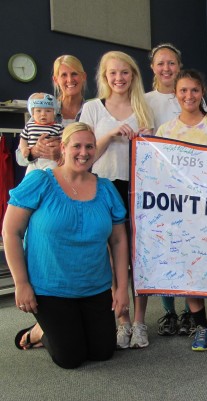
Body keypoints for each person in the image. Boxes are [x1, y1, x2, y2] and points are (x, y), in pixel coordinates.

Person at [4, 122, 129, 369]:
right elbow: (11, 232)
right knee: (70, 358)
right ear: (63, 147)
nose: (83, 152)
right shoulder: (40, 182)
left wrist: (122, 288)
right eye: (77, 146)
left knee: (103, 351)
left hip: (94, 285)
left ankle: (61, 325)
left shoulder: (105, 189)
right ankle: (38, 332)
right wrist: (21, 283)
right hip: (50, 287)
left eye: (89, 147)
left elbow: (118, 239)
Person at [156, 69, 207, 350]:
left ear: (203, 92)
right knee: (191, 269)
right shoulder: (165, 131)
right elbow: (159, 173)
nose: (189, 96)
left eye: (194, 90)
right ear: (175, 94)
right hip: (182, 213)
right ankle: (200, 325)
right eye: (183, 91)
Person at [79, 50, 153, 349]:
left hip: (138, 188)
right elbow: (84, 155)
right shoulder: (92, 108)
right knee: (111, 258)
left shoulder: (143, 106)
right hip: (104, 187)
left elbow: (156, 154)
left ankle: (139, 321)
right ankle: (121, 319)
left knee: (139, 255)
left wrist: (146, 138)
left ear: (133, 75)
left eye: (125, 72)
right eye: (113, 73)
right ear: (105, 77)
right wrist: (109, 135)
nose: (119, 78)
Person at [144, 43, 195, 337]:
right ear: (153, 67)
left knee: (189, 248)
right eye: (161, 63)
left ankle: (191, 311)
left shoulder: (191, 97)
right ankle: (168, 312)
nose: (166, 68)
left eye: (172, 63)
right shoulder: (145, 100)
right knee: (164, 249)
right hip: (159, 187)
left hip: (189, 190)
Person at [17, 55, 87, 166]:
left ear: (83, 76)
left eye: (74, 73)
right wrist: (35, 151)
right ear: (55, 80)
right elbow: (20, 158)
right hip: (46, 176)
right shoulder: (43, 110)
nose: (69, 79)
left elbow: (97, 151)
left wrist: (63, 154)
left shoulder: (92, 110)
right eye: (64, 75)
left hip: (80, 178)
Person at [19, 93, 64, 173]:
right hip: (33, 162)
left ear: (54, 113)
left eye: (48, 111)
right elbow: (23, 139)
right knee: (29, 179)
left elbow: (64, 142)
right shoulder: (29, 126)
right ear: (32, 113)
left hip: (51, 161)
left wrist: (62, 154)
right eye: (38, 111)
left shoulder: (58, 127)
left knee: (50, 178)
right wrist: (23, 149)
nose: (43, 114)